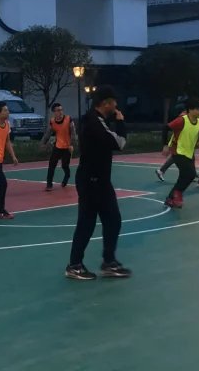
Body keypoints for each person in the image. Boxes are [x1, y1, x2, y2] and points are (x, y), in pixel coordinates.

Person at [65, 85, 131, 281]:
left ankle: (108, 262)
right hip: (91, 181)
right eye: (114, 102)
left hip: (99, 180)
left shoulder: (96, 120)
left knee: (113, 219)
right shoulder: (94, 123)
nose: (116, 105)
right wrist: (121, 122)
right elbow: (119, 143)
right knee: (87, 222)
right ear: (105, 103)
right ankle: (74, 265)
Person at [160, 99, 199, 208]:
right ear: (190, 110)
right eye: (197, 109)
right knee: (191, 174)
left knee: (184, 177)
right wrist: (165, 145)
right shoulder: (182, 120)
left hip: (189, 153)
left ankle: (170, 199)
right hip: (178, 152)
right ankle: (177, 195)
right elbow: (166, 128)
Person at [39, 102, 76, 191]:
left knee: (64, 166)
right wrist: (43, 143)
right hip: (58, 146)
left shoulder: (68, 119)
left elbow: (73, 133)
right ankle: (49, 184)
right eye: (58, 110)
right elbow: (48, 134)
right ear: (54, 112)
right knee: (51, 165)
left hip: (67, 147)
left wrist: (72, 144)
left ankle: (67, 176)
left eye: (61, 110)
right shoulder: (52, 122)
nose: (60, 112)